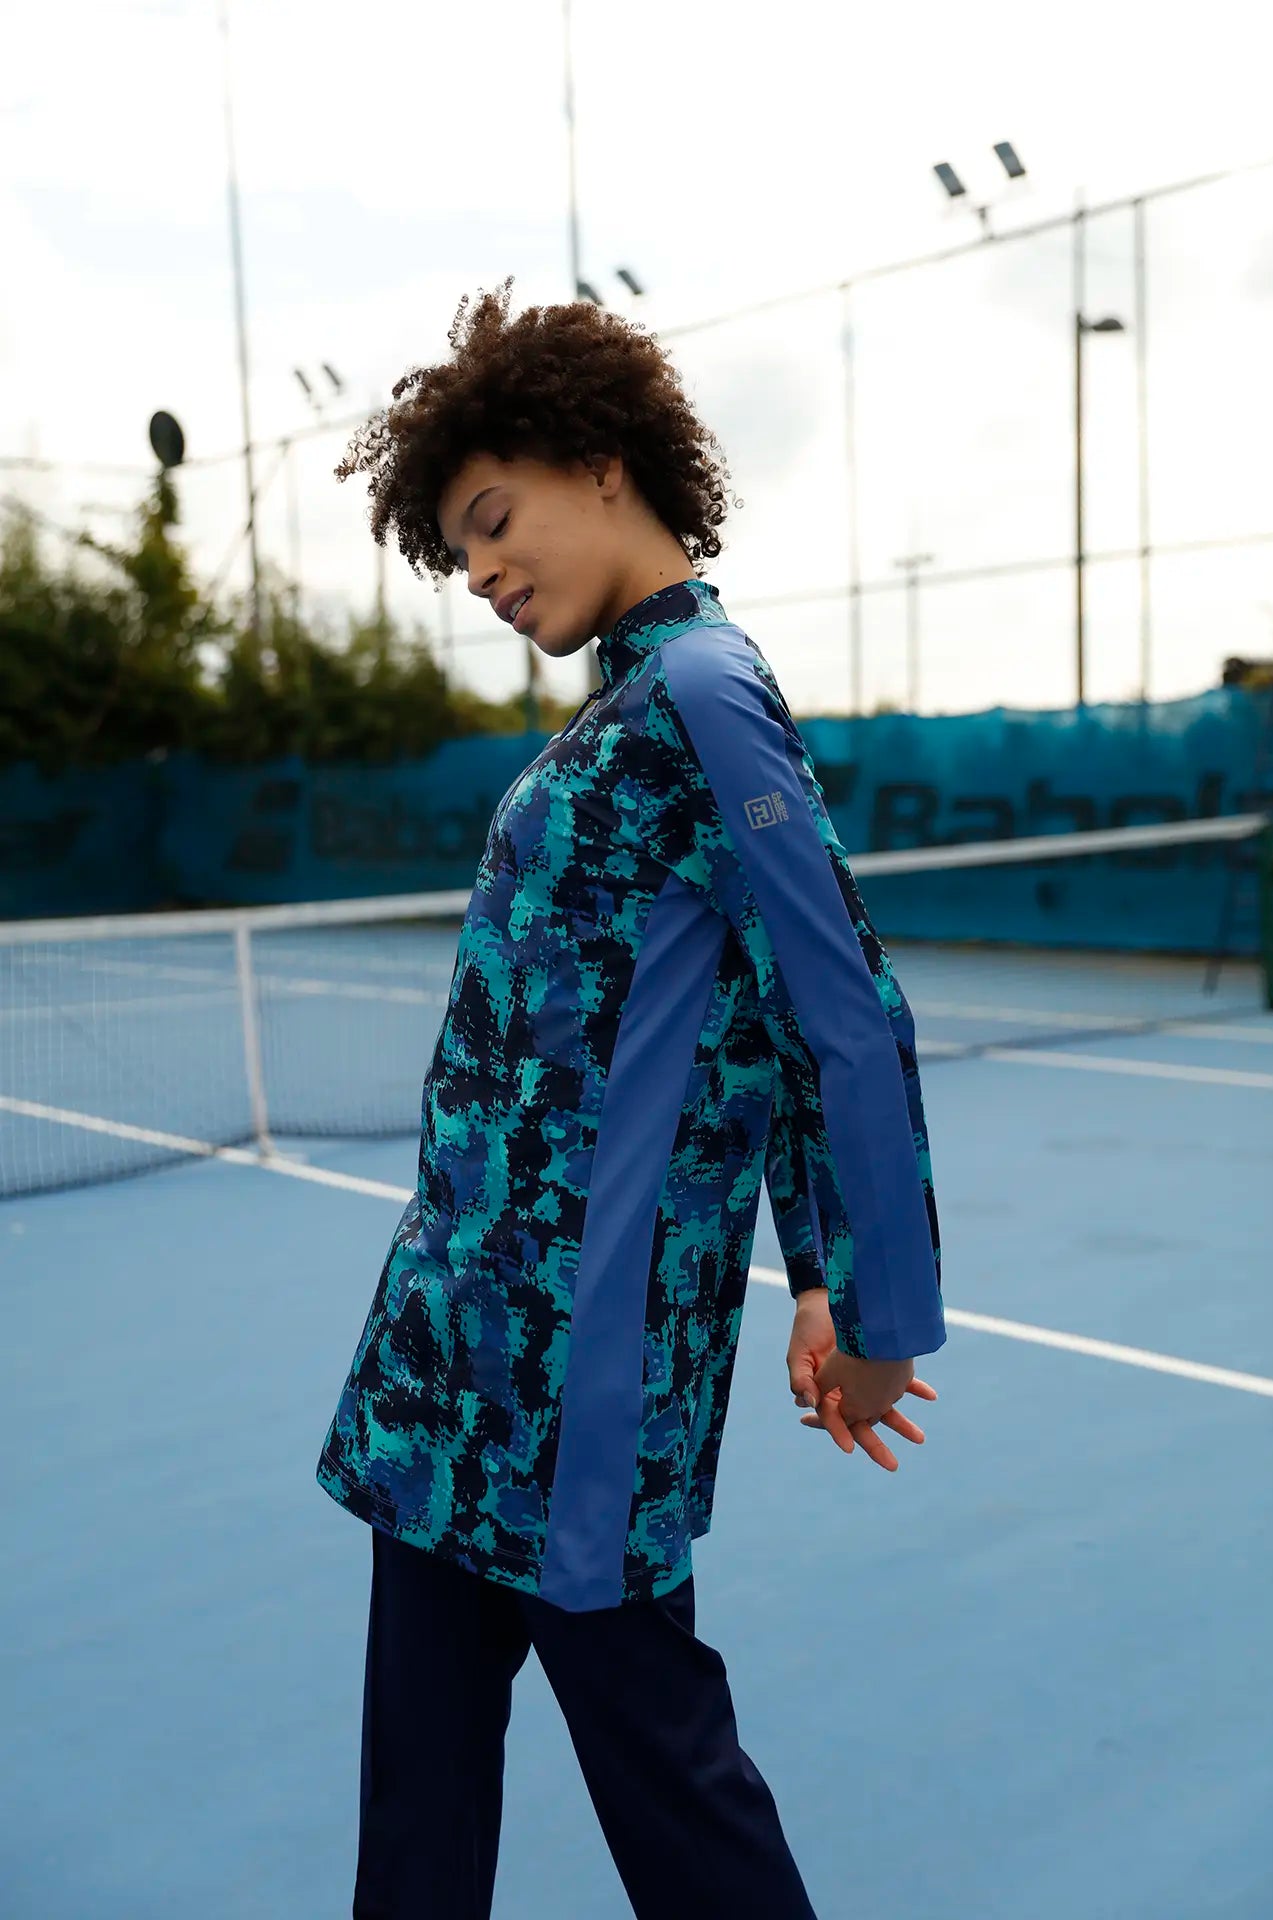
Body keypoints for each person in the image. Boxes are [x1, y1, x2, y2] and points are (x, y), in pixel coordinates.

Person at [317, 276, 944, 1920]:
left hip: (572, 1382)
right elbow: (742, 1022)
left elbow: (840, 1019)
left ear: (601, 463)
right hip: (448, 1357)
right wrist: (814, 1278)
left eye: (493, 519)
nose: (480, 571)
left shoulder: (700, 695)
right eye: (456, 550)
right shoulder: (619, 711)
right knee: (418, 1805)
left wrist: (866, 1300)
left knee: (676, 1797)